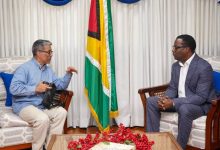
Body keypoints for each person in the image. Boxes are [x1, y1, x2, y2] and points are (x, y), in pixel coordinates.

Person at [146, 34, 216, 149]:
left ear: (187, 49)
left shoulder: (204, 67)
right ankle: (152, 142)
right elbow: (173, 88)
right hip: (179, 101)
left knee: (185, 108)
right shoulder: (175, 66)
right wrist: (166, 98)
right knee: (151, 101)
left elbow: (201, 97)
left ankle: (178, 147)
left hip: (200, 105)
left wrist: (173, 103)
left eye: (176, 47)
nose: (173, 50)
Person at [10, 39, 77, 150]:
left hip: (42, 105)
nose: (51, 55)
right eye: (48, 52)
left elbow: (60, 86)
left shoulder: (49, 70)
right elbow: (14, 88)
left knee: (61, 112)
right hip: (24, 105)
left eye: (51, 52)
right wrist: (35, 89)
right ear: (38, 53)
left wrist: (68, 74)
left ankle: (52, 147)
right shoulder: (24, 68)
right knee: (42, 119)